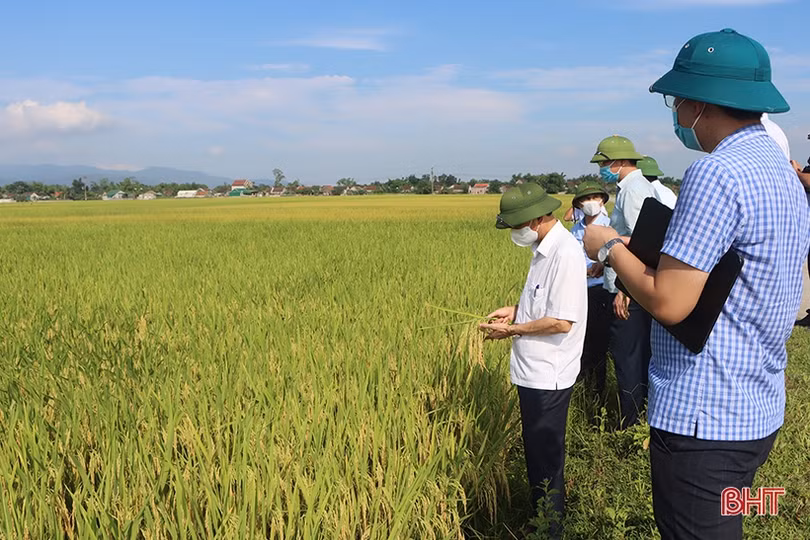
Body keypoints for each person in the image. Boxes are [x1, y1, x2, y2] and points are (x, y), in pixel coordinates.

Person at [583, 28, 809, 540]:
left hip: (703, 420)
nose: (677, 112)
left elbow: (670, 301)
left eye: (678, 99)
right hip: (755, 409)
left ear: (700, 102)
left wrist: (606, 245)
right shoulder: (780, 170)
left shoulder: (716, 171)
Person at [479, 183, 587, 538]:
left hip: (547, 376)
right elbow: (546, 304)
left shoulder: (565, 254)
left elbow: (561, 320)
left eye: (516, 225)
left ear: (539, 217)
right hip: (533, 373)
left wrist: (512, 331)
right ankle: (544, 520)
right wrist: (515, 311)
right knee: (538, 454)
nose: (514, 232)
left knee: (545, 458)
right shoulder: (544, 248)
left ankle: (549, 529)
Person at [590, 135, 657, 429]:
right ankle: (639, 417)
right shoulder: (633, 188)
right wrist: (602, 262)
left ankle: (631, 423)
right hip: (626, 285)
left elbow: (643, 243)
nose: (602, 169)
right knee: (635, 355)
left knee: (628, 358)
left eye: (604, 163)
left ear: (618, 162)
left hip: (628, 292)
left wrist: (624, 290)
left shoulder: (633, 192)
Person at [570, 181, 612, 398]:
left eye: (595, 198)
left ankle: (599, 394)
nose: (590, 203)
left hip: (601, 291)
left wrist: (598, 266)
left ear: (602, 201)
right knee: (581, 344)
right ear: (578, 204)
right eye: (585, 199)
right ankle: (583, 392)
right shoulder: (575, 231)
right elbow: (572, 261)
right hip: (579, 292)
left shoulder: (610, 225)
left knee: (598, 345)